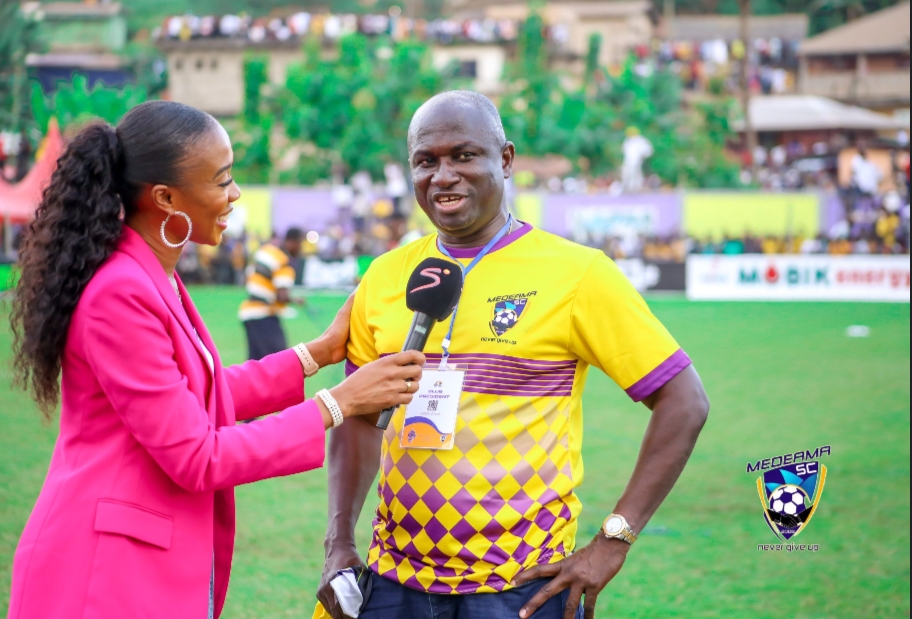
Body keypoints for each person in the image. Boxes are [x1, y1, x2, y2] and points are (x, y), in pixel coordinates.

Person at [6, 100, 425, 619]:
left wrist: (317, 354)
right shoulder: (121, 291)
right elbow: (198, 456)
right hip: (101, 574)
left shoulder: (152, 275)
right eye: (222, 180)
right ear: (166, 198)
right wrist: (337, 403)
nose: (235, 193)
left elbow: (197, 395)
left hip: (139, 561)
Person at [316, 91, 710, 619]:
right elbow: (358, 417)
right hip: (394, 584)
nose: (444, 176)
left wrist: (613, 542)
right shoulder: (385, 275)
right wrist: (338, 542)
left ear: (505, 159)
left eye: (463, 156)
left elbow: (684, 400)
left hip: (521, 589)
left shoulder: (577, 274)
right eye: (426, 161)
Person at [238, 227, 305, 360]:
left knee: (255, 363)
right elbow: (282, 296)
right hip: (264, 314)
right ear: (292, 242)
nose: (301, 249)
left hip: (248, 312)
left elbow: (248, 275)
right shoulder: (285, 263)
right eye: (300, 244)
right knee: (280, 361)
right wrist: (296, 300)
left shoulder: (266, 250)